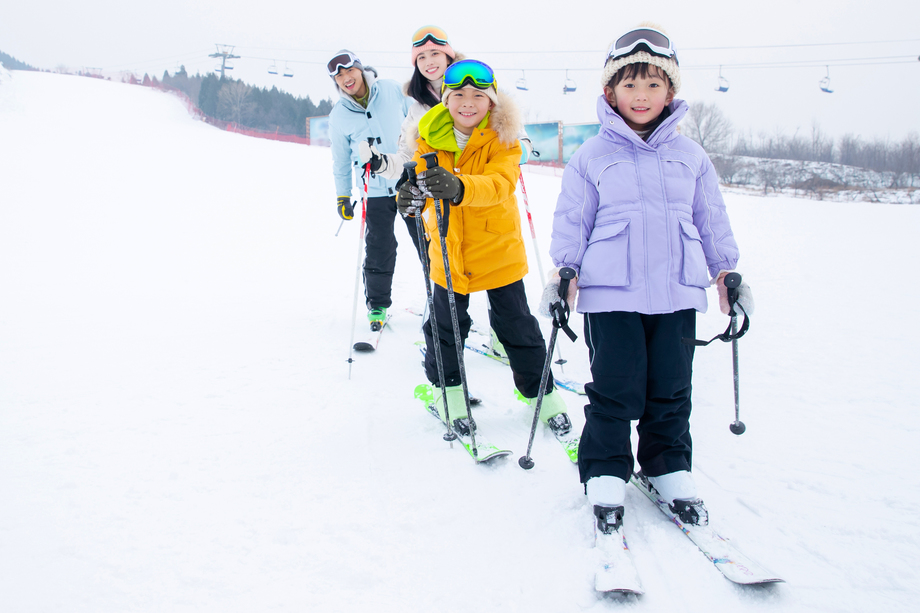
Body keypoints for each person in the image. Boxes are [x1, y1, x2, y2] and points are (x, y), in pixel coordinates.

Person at [547, 25, 750, 531]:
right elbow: (573, 219)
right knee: (615, 388)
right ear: (611, 91)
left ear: (669, 91)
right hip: (611, 294)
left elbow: (711, 218)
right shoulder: (592, 155)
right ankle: (605, 469)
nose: (641, 95)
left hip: (678, 290)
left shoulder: (691, 156)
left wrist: (726, 271)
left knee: (672, 388)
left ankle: (666, 465)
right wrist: (564, 273)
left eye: (653, 84)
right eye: (630, 84)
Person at [397, 59, 571, 436]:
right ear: (445, 100)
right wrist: (411, 199)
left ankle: (540, 393)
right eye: (458, 94)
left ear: (491, 101)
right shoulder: (427, 139)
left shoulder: (503, 139)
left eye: (478, 95)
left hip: (497, 248)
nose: (468, 103)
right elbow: (422, 191)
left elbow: (500, 183)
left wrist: (460, 187)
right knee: (445, 326)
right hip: (448, 250)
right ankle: (449, 392)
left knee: (517, 326)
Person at [327, 49, 421, 330]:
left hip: (409, 181)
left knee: (427, 241)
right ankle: (378, 305)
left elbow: (419, 126)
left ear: (360, 69)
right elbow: (340, 160)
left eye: (350, 71)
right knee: (380, 248)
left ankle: (440, 295)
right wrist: (343, 195)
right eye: (339, 76)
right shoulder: (339, 115)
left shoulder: (391, 90)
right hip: (374, 190)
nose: (347, 79)